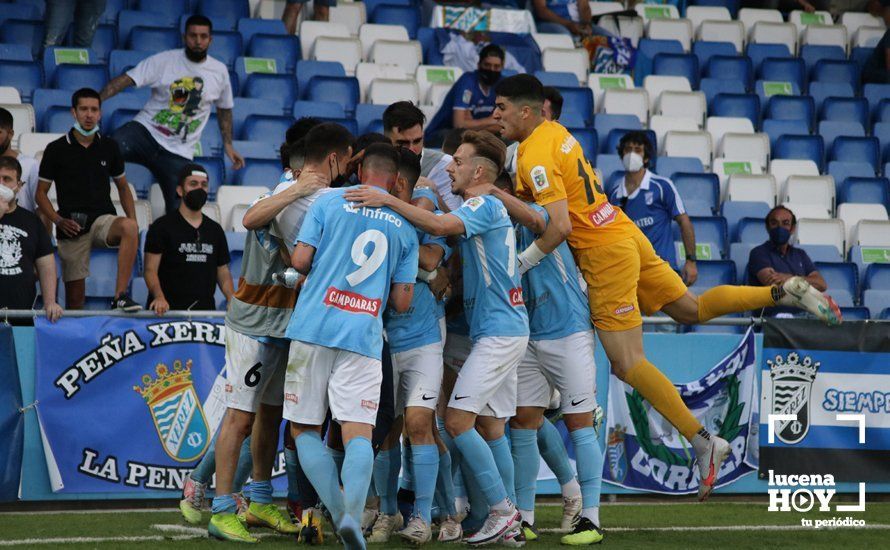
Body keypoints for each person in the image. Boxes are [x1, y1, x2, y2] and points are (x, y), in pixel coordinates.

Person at [492, 74, 841, 509]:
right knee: (690, 309)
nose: (495, 114)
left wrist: (519, 263)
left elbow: (559, 225)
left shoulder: (534, 155)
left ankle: (701, 440)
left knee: (627, 363)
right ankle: (781, 292)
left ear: (526, 111)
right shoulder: (556, 133)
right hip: (620, 229)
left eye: (501, 108)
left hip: (604, 254)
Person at [345, 131, 530, 546]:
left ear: (479, 170)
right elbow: (445, 225)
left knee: (459, 421)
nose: (449, 167)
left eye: (459, 161)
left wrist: (390, 200)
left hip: (499, 332)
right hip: (496, 331)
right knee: (489, 423)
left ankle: (505, 511)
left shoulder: (483, 203)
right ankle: (509, 521)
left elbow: (441, 227)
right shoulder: (482, 206)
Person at [284, 139, 418, 549]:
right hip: (364, 336)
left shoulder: (326, 203)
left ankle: (339, 510)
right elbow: (402, 301)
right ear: (394, 182)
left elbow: (300, 262)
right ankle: (353, 519)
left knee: (304, 428)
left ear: (360, 172)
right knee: (359, 434)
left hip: (313, 328)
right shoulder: (406, 227)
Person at [206, 142, 330, 542]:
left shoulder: (312, 203)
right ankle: (221, 509)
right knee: (240, 416)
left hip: (285, 325)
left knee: (270, 416)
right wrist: (294, 190)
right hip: (253, 322)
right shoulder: (275, 199)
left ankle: (259, 499)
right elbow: (252, 220)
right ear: (300, 169)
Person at [476, 173, 605, 544]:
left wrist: (493, 192)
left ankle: (591, 518)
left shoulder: (536, 212)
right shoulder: (497, 227)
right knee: (523, 423)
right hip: (529, 334)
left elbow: (539, 223)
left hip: (569, 329)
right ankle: (525, 518)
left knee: (580, 423)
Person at [370, 148, 450, 545]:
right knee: (387, 432)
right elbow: (428, 268)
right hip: (381, 339)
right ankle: (386, 512)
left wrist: (404, 223)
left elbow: (434, 258)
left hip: (422, 341)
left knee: (420, 424)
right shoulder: (374, 218)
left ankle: (421, 517)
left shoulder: (430, 215)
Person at [100, 15, 244, 213]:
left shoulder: (219, 71)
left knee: (182, 208)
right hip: (145, 134)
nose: (198, 41)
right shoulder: (165, 60)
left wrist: (228, 144)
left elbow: (224, 108)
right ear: (185, 37)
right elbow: (127, 79)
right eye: (193, 36)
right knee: (105, 151)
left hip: (179, 152)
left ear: (210, 40)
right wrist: (96, 100)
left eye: (203, 36)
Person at [35, 88, 140, 312]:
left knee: (130, 227)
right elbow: (40, 193)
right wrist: (57, 220)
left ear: (100, 114)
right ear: (74, 112)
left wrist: (133, 220)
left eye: (94, 109)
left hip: (103, 220)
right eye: (84, 109)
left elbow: (123, 187)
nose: (89, 115)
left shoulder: (109, 147)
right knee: (75, 302)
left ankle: (120, 296)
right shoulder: (56, 149)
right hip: (71, 226)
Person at [609, 131, 698, 285]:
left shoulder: (662, 186)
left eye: (637, 150)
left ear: (646, 157)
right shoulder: (614, 195)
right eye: (628, 149)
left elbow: (684, 221)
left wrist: (691, 261)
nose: (631, 154)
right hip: (630, 275)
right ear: (621, 154)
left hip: (664, 271)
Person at [143, 163, 234, 314]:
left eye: (204, 185)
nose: (199, 188)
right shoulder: (161, 227)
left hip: (205, 316)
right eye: (193, 184)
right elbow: (149, 270)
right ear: (180, 190)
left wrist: (231, 298)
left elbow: (223, 271)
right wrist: (159, 297)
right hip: (166, 314)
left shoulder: (215, 230)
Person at [0, 157, 62, 323]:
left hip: (21, 316)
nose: (1, 184)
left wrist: (50, 302)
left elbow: (46, 264)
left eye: (7, 179)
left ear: (18, 186)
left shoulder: (31, 221)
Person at [382, 102, 459, 210]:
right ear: (386, 139)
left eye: (417, 141)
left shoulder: (446, 167)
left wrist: (434, 193)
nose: (411, 149)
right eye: (402, 143)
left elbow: (453, 222)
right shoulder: (373, 162)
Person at [747, 205, 827, 295]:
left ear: (792, 229)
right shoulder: (759, 253)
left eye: (785, 223)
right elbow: (773, 283)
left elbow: (821, 284)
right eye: (774, 223)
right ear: (768, 228)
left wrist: (789, 278)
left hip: (801, 308)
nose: (779, 227)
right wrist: (805, 281)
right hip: (774, 309)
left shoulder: (800, 254)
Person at [451, 45, 506, 134]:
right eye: (487, 65)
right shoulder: (467, 81)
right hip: (446, 131)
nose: (491, 70)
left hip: (479, 134)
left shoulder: (503, 84)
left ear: (502, 67)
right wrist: (489, 121)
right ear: (479, 64)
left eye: (496, 66)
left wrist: (472, 125)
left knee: (510, 141)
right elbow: (459, 125)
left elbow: (504, 126)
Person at [0, 108, 40, 216]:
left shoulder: (30, 165)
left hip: (24, 229)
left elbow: (41, 209)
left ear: (10, 134)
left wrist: (43, 233)